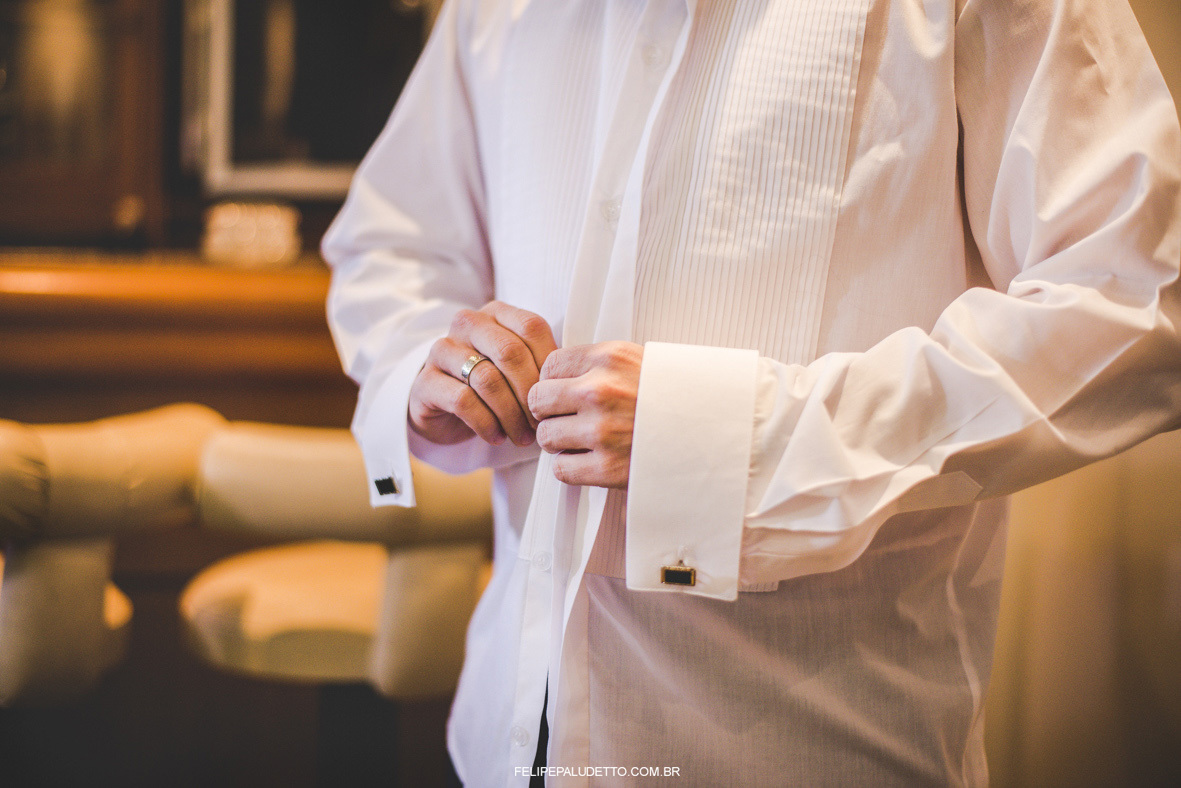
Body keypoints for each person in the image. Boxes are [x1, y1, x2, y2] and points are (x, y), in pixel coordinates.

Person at [322, 0, 1181, 784]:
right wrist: (433, 363)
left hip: (810, 745)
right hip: (510, 730)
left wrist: (731, 441)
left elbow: (1136, 296)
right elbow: (393, 249)